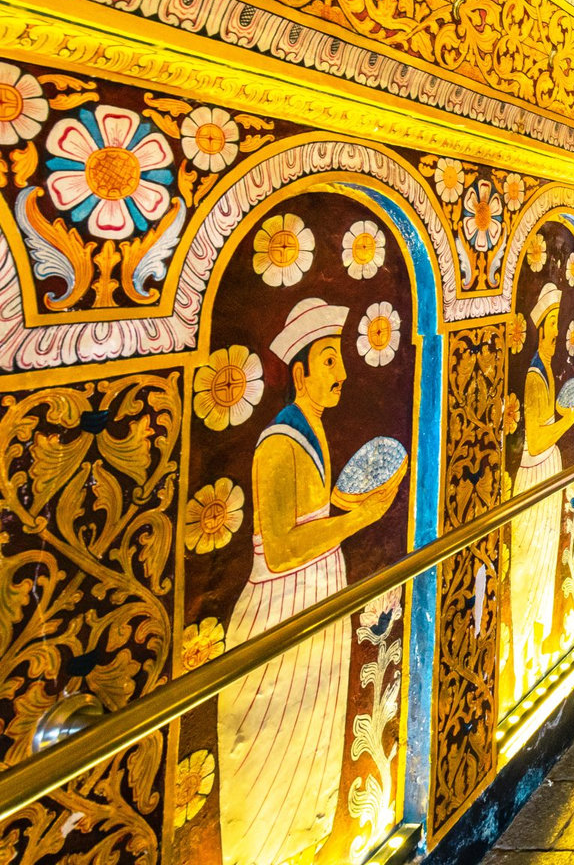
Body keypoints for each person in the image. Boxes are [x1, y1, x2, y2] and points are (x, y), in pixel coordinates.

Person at [219, 298, 404, 865]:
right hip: (282, 604)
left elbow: (317, 508)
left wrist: (358, 503)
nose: (342, 373)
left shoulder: (313, 431)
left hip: (318, 594)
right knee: (274, 759)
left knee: (315, 744)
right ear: (299, 372)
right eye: (328, 361)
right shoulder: (278, 444)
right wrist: (361, 521)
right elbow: (279, 547)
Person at [508, 282, 574, 701]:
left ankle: (534, 654)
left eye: (559, 322)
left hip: (546, 471)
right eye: (553, 323)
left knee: (540, 571)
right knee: (531, 569)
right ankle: (524, 662)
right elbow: (537, 441)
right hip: (536, 473)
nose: (557, 331)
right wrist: (571, 417)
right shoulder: (536, 376)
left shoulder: (542, 368)